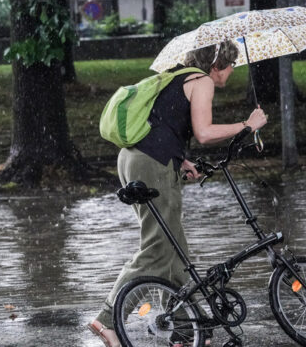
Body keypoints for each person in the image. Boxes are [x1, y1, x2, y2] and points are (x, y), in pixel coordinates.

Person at [87, 40, 268, 347]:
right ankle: (108, 319)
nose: (233, 71)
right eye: (231, 64)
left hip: (134, 159)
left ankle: (186, 330)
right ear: (218, 64)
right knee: (159, 247)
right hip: (150, 164)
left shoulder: (175, 76)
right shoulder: (202, 81)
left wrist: (179, 159)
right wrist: (247, 125)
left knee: (174, 248)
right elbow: (205, 132)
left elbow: (161, 122)